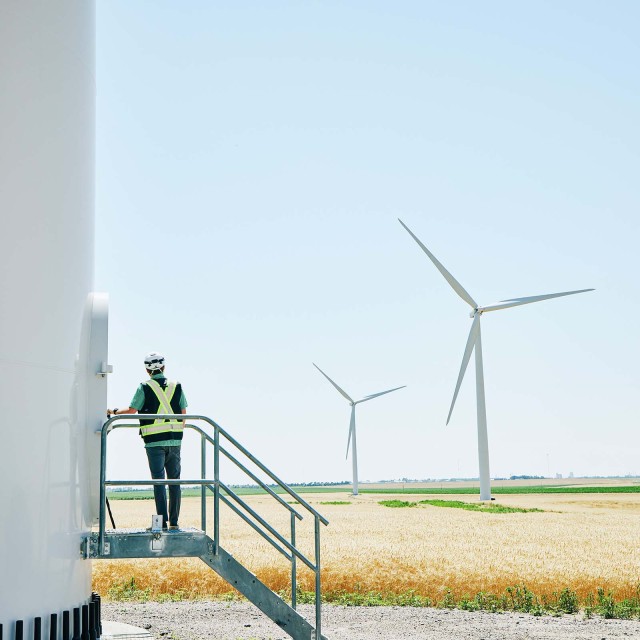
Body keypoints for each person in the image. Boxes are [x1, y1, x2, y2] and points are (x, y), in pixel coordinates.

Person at [108, 352, 188, 530]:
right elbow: (184, 415)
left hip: (153, 442)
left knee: (158, 481)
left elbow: (131, 411)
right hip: (175, 441)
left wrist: (112, 411)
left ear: (147, 370)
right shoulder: (177, 386)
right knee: (175, 481)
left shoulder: (144, 386)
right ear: (164, 367)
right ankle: (174, 523)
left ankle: (162, 524)